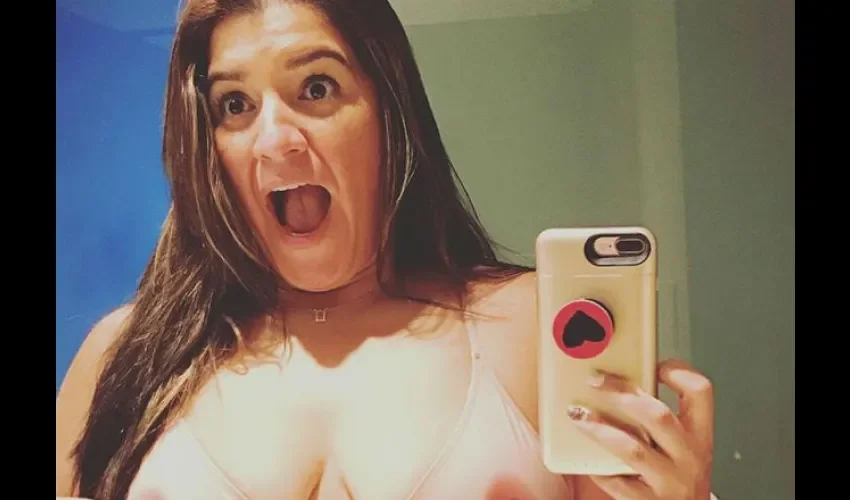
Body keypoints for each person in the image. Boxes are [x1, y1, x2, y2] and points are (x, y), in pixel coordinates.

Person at [55, 0, 716, 499]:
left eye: (316, 88)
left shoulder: (532, 327)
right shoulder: (122, 358)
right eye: (235, 104)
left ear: (389, 112)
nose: (274, 139)